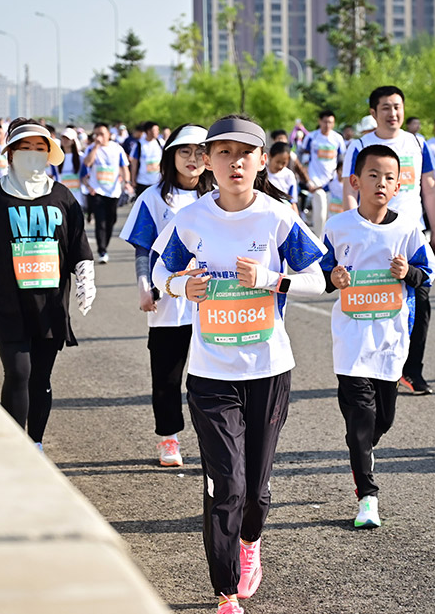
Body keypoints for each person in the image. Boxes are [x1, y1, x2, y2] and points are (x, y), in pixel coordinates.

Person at [150, 115, 326, 614]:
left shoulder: (277, 218)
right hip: (211, 373)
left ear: (262, 161)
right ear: (208, 161)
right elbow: (160, 270)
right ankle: (225, 592)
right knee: (225, 484)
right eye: (223, 153)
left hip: (268, 368)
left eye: (244, 153)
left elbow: (320, 279)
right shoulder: (191, 219)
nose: (235, 162)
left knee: (256, 489)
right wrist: (184, 286)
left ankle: (251, 544)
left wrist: (273, 278)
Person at [0, 119, 96, 450]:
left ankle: (36, 442)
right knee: (17, 373)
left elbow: (79, 248)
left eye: (39, 148)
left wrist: (87, 284)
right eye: (25, 148)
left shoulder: (62, 197)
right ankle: (14, 446)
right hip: (8, 304)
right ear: (11, 153)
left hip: (50, 306)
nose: (32, 154)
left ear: (49, 153)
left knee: (40, 378)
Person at [321, 144, 435, 527]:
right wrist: (331, 278)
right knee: (360, 419)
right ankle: (367, 497)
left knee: (380, 421)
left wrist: (408, 273)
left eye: (390, 177)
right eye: (373, 175)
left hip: (390, 345)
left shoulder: (406, 229)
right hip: (351, 344)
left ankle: (362, 450)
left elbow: (428, 274)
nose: (381, 183)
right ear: (356, 181)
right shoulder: (338, 228)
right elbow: (318, 275)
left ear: (399, 184)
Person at [118, 124, 213, 467]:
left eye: (200, 153)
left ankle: (214, 438)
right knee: (168, 375)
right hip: (169, 300)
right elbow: (143, 247)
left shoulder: (217, 195)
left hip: (211, 299)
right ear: (170, 156)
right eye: (184, 152)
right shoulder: (153, 198)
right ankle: (169, 438)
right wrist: (144, 286)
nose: (192, 159)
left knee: (211, 376)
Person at [342, 85, 435, 395]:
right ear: (374, 113)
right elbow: (349, 189)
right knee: (375, 305)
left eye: (397, 106)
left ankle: (412, 371)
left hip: (410, 238)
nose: (393, 113)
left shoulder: (416, 142)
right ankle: (373, 368)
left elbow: (427, 187)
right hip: (371, 239)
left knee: (421, 302)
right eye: (385, 107)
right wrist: (353, 231)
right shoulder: (360, 145)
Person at [82, 122, 132, 264]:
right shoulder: (91, 148)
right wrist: (96, 147)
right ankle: (102, 250)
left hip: (113, 191)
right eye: (96, 134)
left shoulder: (117, 149)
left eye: (102, 134)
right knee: (101, 222)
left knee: (111, 220)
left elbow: (124, 167)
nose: (99, 137)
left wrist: (127, 183)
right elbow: (86, 164)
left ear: (109, 135)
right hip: (96, 191)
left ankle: (105, 245)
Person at [302, 110, 346, 238]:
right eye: (325, 122)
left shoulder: (337, 139)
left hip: (331, 182)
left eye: (330, 122)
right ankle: (318, 241)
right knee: (320, 212)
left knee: (330, 213)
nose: (327, 125)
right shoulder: (311, 137)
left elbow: (341, 161)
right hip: (315, 180)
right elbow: (304, 159)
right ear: (320, 121)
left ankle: (329, 240)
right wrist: (307, 180)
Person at [130, 121, 164, 197]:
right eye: (155, 130)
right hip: (142, 181)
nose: (158, 132)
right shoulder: (139, 144)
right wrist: (133, 180)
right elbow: (134, 163)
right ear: (148, 131)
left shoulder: (161, 143)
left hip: (157, 181)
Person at [266, 141, 299, 212]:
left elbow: (292, 202)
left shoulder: (289, 175)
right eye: (277, 162)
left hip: (283, 211)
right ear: (270, 156)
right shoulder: (261, 172)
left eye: (284, 163)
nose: (280, 166)